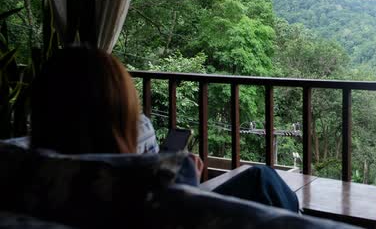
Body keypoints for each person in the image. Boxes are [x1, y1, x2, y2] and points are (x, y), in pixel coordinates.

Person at [30, 46, 299, 212]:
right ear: (120, 104)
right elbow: (173, 211)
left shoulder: (28, 172)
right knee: (261, 178)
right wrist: (185, 177)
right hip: (169, 213)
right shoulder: (130, 182)